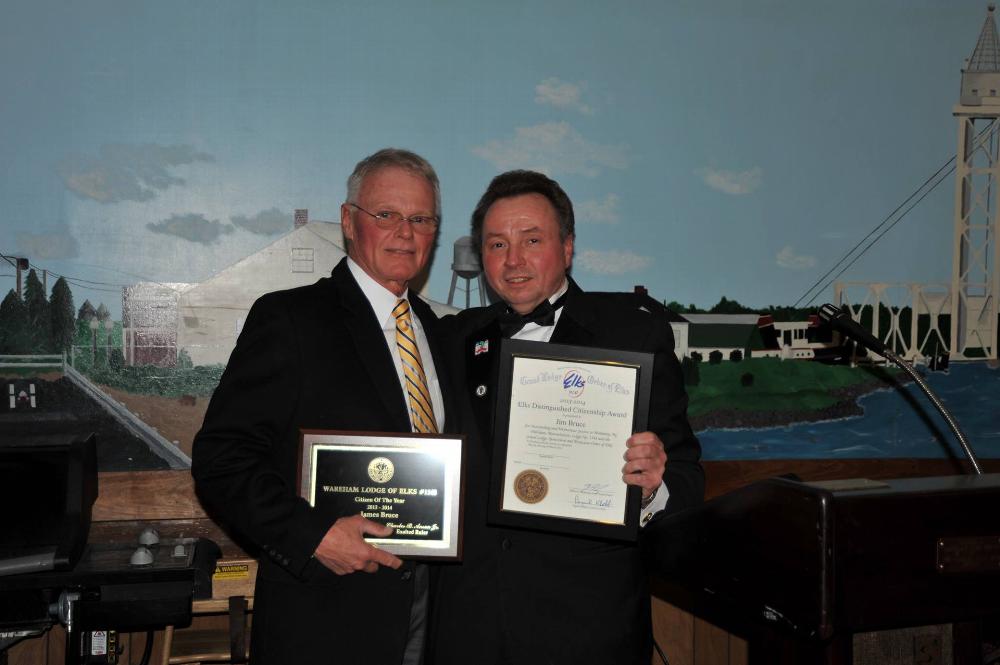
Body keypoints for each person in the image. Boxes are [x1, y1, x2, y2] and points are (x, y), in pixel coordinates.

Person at [192, 148, 456, 665]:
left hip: (436, 614)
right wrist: (313, 537)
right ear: (348, 221)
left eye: (421, 219)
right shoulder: (291, 320)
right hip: (326, 620)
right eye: (386, 215)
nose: (405, 232)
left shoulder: (442, 335)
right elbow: (222, 460)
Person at [428, 170, 703, 665]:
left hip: (587, 627)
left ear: (568, 247)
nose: (513, 261)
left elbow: (686, 476)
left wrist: (651, 488)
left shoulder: (631, 333)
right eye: (496, 244)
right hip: (468, 626)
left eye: (532, 240)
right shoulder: (451, 339)